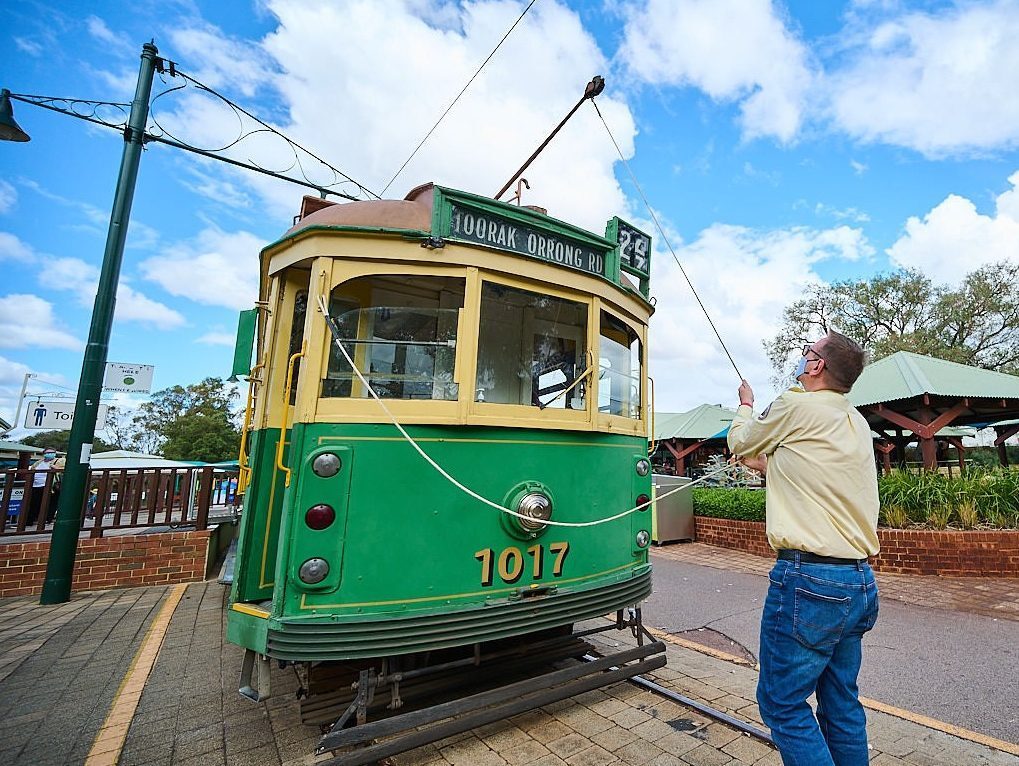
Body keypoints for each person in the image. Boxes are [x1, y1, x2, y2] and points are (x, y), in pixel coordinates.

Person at [727, 331, 880, 766]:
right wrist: (766, 461)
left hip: (810, 582)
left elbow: (740, 442)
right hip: (859, 582)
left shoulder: (796, 405)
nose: (802, 358)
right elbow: (801, 465)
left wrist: (744, 404)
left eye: (807, 353)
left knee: (782, 704)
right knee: (841, 702)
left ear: (815, 367)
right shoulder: (855, 422)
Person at [26, 448, 65, 526]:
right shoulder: (38, 462)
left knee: (50, 503)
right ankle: (31, 520)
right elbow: (31, 470)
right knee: (34, 503)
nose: (50, 454)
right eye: (48, 452)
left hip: (51, 485)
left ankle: (47, 519)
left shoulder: (59, 460)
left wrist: (55, 468)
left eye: (52, 452)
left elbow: (65, 469)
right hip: (36, 484)